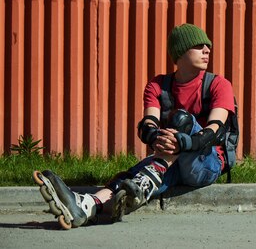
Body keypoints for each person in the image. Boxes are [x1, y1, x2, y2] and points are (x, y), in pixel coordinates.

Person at [33, 23, 236, 229]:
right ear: (180, 51)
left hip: (206, 163)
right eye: (199, 45)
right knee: (129, 179)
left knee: (181, 120)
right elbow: (147, 126)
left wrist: (180, 141)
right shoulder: (159, 85)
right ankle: (86, 206)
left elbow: (213, 131)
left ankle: (138, 184)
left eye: (208, 46)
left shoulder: (218, 84)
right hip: (170, 161)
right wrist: (156, 137)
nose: (207, 50)